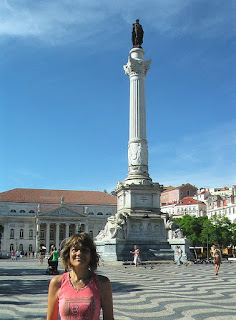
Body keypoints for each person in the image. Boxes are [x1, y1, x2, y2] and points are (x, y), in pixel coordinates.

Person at [46, 232, 114, 320]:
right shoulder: (57, 282)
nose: (79, 253)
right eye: (75, 249)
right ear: (68, 254)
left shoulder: (102, 283)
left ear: (91, 255)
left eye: (84, 250)